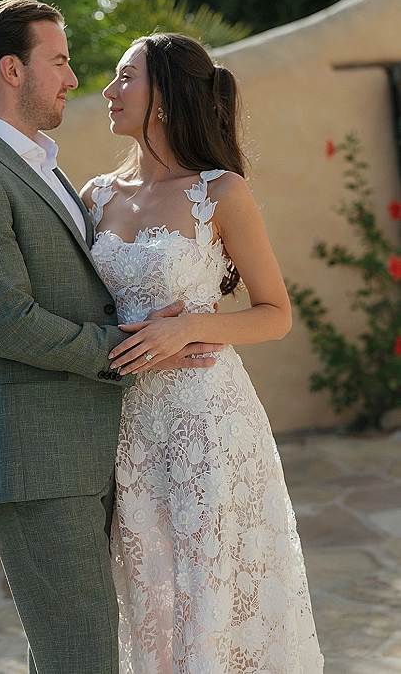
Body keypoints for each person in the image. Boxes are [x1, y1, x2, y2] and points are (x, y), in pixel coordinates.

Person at [0, 0, 221, 674]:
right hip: (35, 458)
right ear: (11, 69)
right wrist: (138, 350)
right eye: (58, 61)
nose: (74, 78)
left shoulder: (43, 168)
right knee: (80, 652)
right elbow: (7, 323)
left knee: (72, 649)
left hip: (84, 447)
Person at [81, 33, 324, 674]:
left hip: (207, 425)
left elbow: (276, 313)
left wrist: (187, 327)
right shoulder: (94, 197)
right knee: (150, 606)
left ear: (163, 95)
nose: (108, 91)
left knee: (207, 602)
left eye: (125, 77)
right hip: (125, 429)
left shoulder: (221, 193)